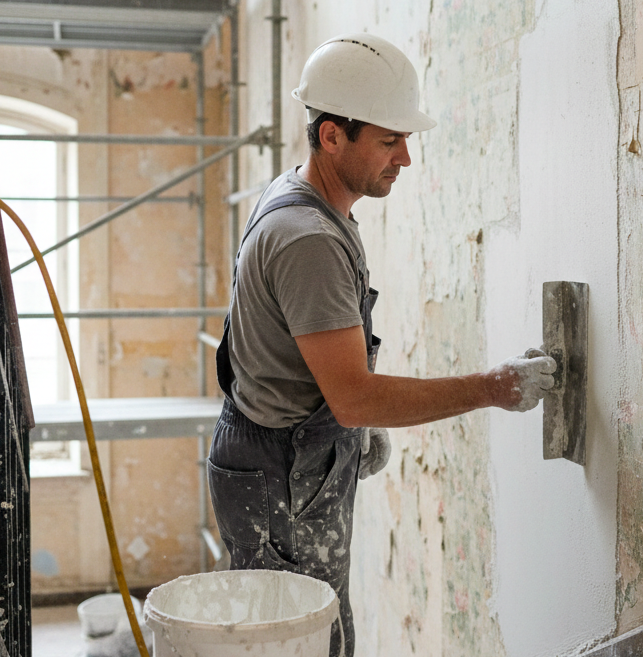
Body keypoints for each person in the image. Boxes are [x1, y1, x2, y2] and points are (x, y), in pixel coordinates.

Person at [208, 33, 557, 657]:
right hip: (278, 476)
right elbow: (355, 400)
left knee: (314, 637)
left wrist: (349, 428)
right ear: (331, 136)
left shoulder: (315, 203)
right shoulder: (307, 238)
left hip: (286, 454)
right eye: (389, 140)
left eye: (406, 139)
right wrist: (494, 388)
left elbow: (322, 371)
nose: (405, 158)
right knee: (303, 647)